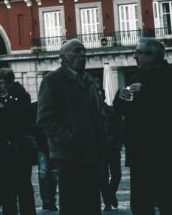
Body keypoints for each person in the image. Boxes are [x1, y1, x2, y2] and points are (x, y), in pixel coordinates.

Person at [37, 39, 103, 215]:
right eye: (76, 51)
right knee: (71, 204)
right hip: (68, 154)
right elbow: (45, 118)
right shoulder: (52, 81)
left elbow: (98, 113)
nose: (82, 55)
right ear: (64, 58)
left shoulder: (88, 80)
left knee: (91, 204)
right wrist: (68, 139)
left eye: (83, 51)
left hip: (91, 152)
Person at [113, 36, 172, 214]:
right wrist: (119, 97)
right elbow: (125, 110)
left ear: (152, 55)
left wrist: (145, 92)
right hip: (139, 152)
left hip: (164, 151)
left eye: (138, 53)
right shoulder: (137, 76)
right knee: (140, 202)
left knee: (167, 198)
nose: (134, 56)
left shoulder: (169, 76)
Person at [0, 68, 36, 215]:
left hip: (19, 147)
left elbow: (26, 117)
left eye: (2, 83)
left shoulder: (21, 95)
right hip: (1, 149)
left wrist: (5, 109)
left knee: (24, 187)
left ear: (10, 82)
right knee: (5, 187)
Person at [99, 92, 123, 212]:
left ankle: (111, 194)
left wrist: (119, 142)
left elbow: (120, 127)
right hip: (99, 149)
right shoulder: (90, 114)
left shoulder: (112, 111)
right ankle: (107, 202)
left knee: (117, 175)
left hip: (113, 147)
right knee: (102, 178)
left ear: (103, 97)